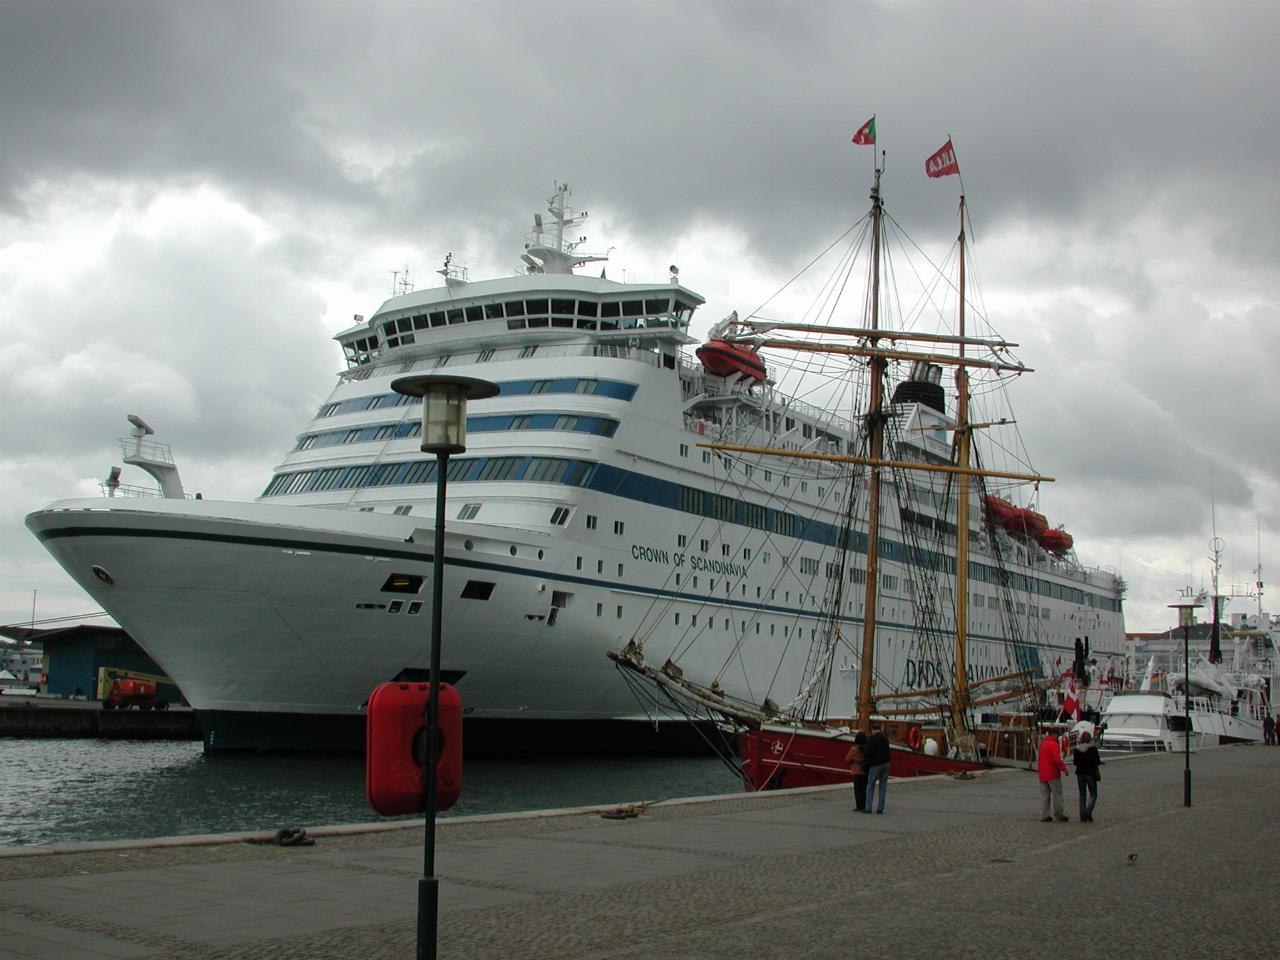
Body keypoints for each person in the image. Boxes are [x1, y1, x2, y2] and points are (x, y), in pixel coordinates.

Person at [1037, 730, 1069, 822]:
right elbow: (1057, 760)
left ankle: (1044, 814)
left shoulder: (1043, 744)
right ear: (1054, 735)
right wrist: (1064, 769)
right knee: (1057, 794)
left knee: (1045, 795)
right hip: (1052, 773)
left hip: (1043, 774)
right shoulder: (1053, 744)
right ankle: (1059, 814)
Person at [1071, 730, 1102, 822]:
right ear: (1089, 739)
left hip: (1080, 773)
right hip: (1090, 773)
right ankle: (1088, 811)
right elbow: (1097, 762)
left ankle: (1082, 815)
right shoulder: (1092, 749)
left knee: (1082, 794)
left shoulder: (1076, 749)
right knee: (1093, 794)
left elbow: (1075, 762)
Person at [863, 725, 891, 814]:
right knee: (883, 786)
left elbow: (868, 752)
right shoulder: (885, 739)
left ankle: (868, 808)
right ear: (880, 730)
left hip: (875, 765)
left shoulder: (871, 739)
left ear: (873, 730)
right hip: (885, 764)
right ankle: (880, 808)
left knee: (870, 786)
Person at [845, 732, 869, 812]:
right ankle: (864, 805)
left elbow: (847, 759)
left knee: (858, 790)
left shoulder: (854, 749)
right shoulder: (867, 748)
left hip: (856, 771)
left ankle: (859, 806)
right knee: (864, 790)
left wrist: (854, 760)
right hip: (865, 771)